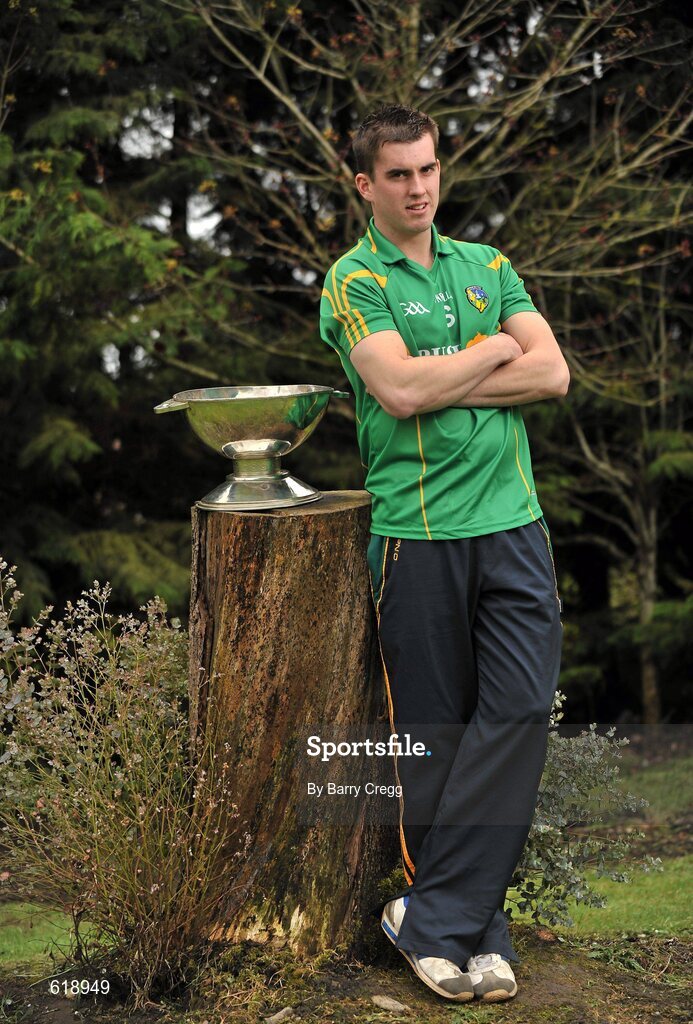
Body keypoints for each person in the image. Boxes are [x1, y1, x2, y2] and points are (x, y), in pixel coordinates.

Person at [319, 104, 568, 1004]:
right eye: (397, 175)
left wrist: (457, 367)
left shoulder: (486, 267)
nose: (418, 187)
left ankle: (427, 921)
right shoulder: (352, 280)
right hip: (418, 539)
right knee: (437, 741)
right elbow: (392, 389)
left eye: (427, 170)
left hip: (514, 529)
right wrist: (495, 347)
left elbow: (552, 373)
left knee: (515, 719)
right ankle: (479, 932)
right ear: (365, 184)